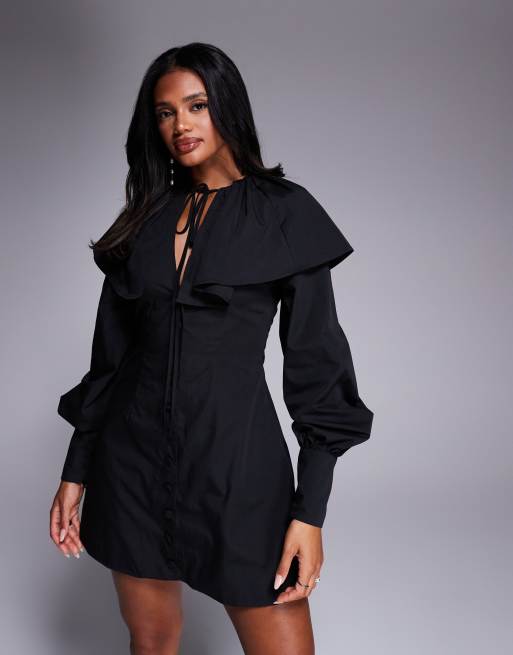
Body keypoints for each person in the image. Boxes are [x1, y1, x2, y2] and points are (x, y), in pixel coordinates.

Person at [49, 42, 374, 655]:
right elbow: (109, 362)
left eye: (196, 105)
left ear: (227, 106)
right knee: (151, 641)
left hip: (237, 469)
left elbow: (318, 369)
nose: (181, 125)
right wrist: (75, 470)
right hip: (131, 467)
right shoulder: (143, 220)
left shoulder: (285, 213)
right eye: (165, 113)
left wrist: (310, 513)